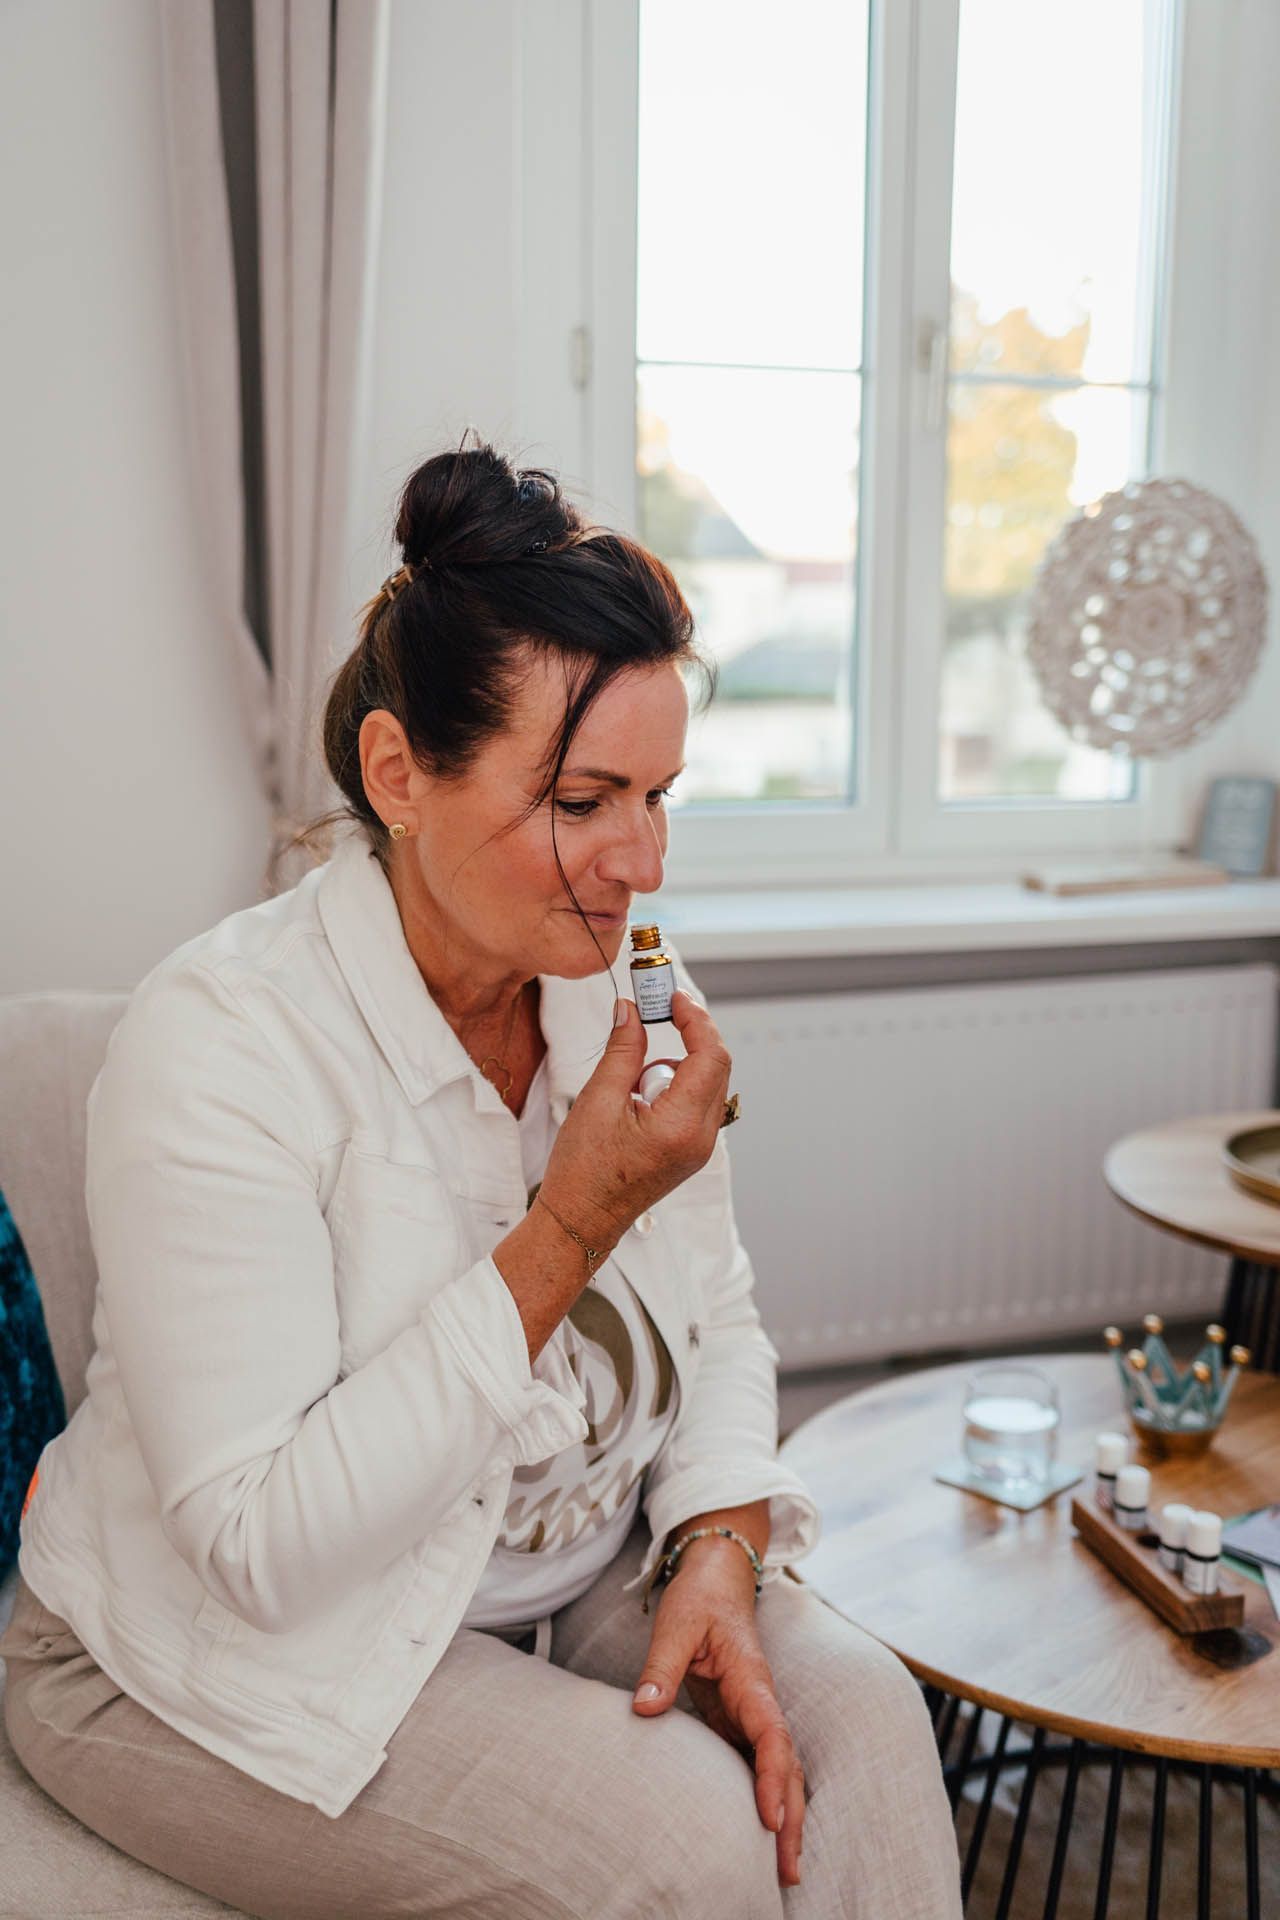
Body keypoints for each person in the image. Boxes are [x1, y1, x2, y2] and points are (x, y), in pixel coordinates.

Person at [1, 437, 964, 1918]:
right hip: (197, 1656)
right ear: (398, 772)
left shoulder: (611, 980)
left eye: (662, 795)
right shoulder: (221, 1044)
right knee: (691, 1846)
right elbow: (261, 1549)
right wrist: (573, 1219)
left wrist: (714, 1540)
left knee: (872, 1739)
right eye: (585, 801)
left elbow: (721, 1313)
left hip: (550, 1566)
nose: (641, 861)